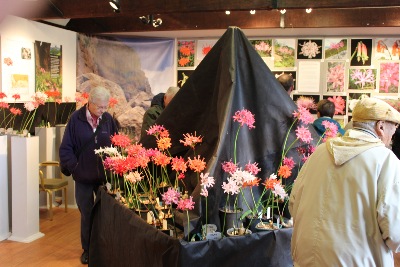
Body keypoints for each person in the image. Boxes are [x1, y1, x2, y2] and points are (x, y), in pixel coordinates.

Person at [289, 97, 400, 266]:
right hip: (358, 261)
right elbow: (395, 232)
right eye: (394, 127)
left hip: (308, 259)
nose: (393, 135)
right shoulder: (386, 160)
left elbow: (294, 204)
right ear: (381, 126)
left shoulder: (319, 152)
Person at [59, 86, 118, 264]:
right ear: (90, 103)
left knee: (105, 214)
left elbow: (116, 143)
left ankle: (104, 248)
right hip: (83, 177)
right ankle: (87, 249)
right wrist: (75, 167)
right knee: (87, 214)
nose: (103, 111)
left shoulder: (107, 119)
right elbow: (66, 148)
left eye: (105, 107)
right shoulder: (75, 119)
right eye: (100, 107)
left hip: (104, 178)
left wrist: (115, 165)